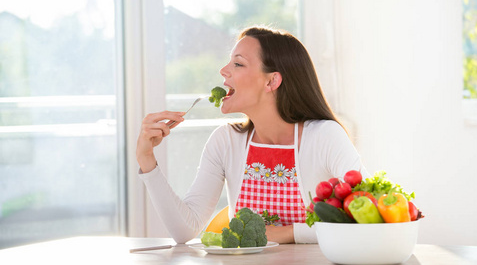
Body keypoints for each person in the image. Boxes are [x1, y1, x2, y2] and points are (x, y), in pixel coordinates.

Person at [136, 26, 369, 244]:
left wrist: (285, 233)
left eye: (238, 64)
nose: (223, 70)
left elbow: (368, 215)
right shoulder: (225, 141)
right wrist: (147, 159)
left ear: (271, 81)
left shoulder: (324, 136)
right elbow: (185, 230)